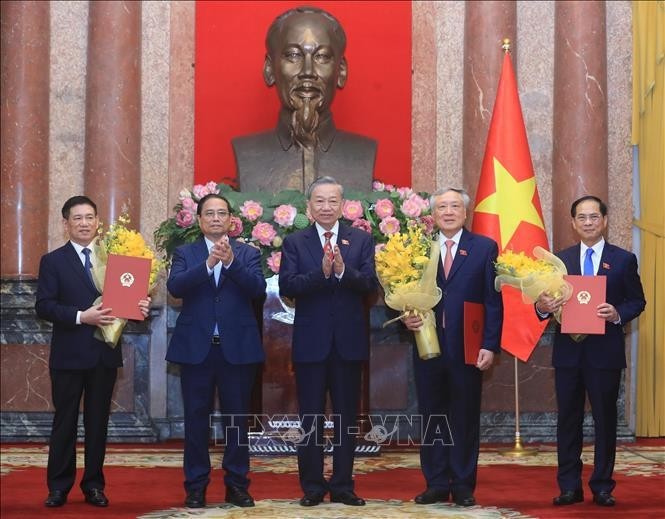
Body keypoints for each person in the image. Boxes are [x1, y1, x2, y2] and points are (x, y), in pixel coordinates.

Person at [35, 196, 150, 508]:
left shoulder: (114, 258)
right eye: (77, 218)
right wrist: (80, 316)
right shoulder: (53, 261)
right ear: (66, 224)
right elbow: (43, 306)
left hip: (103, 354)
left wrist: (141, 307)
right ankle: (58, 487)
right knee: (65, 422)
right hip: (69, 355)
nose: (84, 223)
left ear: (98, 221)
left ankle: (94, 486)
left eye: (89, 217)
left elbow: (126, 304)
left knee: (98, 423)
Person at [535, 195, 645, 508]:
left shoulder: (623, 260)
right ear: (573, 223)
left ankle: (602, 486)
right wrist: (543, 307)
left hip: (604, 354)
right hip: (569, 354)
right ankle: (569, 487)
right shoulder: (560, 260)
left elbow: (638, 301)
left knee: (605, 420)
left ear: (604, 220)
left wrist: (617, 313)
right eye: (581, 217)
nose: (587, 223)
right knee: (568, 421)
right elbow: (541, 303)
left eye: (593, 217)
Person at [279, 176, 377, 506]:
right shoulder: (295, 243)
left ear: (343, 205)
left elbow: (369, 286)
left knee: (347, 418)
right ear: (309, 206)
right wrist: (320, 274)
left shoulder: (361, 241)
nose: (325, 207)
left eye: (332, 201)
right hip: (311, 344)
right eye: (319, 201)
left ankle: (343, 486)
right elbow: (288, 287)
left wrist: (340, 272)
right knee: (310, 419)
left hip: (348, 344)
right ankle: (312, 487)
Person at [403, 187, 503, 507]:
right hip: (428, 346)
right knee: (432, 415)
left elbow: (493, 300)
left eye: (454, 206)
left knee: (464, 416)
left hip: (468, 346)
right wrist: (406, 316)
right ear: (433, 213)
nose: (448, 212)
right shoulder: (418, 247)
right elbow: (403, 290)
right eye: (442, 207)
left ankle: (462, 484)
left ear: (465, 212)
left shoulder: (484, 248)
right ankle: (435, 482)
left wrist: (490, 344)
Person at [166, 193, 266, 509]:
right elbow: (176, 288)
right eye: (208, 213)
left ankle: (237, 485)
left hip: (237, 350)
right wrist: (209, 264)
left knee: (236, 422)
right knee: (197, 421)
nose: (215, 218)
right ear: (199, 220)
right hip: (197, 350)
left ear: (231, 220)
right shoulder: (185, 253)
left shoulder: (247, 254)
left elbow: (257, 289)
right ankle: (196, 486)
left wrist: (230, 263)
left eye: (221, 213)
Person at [232, 6, 376, 194]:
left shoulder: (363, 152)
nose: (308, 71)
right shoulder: (247, 152)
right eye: (293, 55)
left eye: (322, 56)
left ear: (341, 71)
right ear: (269, 69)